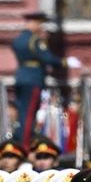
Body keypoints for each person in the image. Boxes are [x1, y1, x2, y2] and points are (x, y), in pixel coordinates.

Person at [11, 11, 63, 146]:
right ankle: (25, 144)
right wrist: (63, 62)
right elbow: (46, 57)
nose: (40, 27)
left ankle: (21, 140)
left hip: (21, 77)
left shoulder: (18, 39)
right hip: (33, 78)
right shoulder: (34, 40)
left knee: (22, 112)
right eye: (39, 24)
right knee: (29, 114)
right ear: (33, 23)